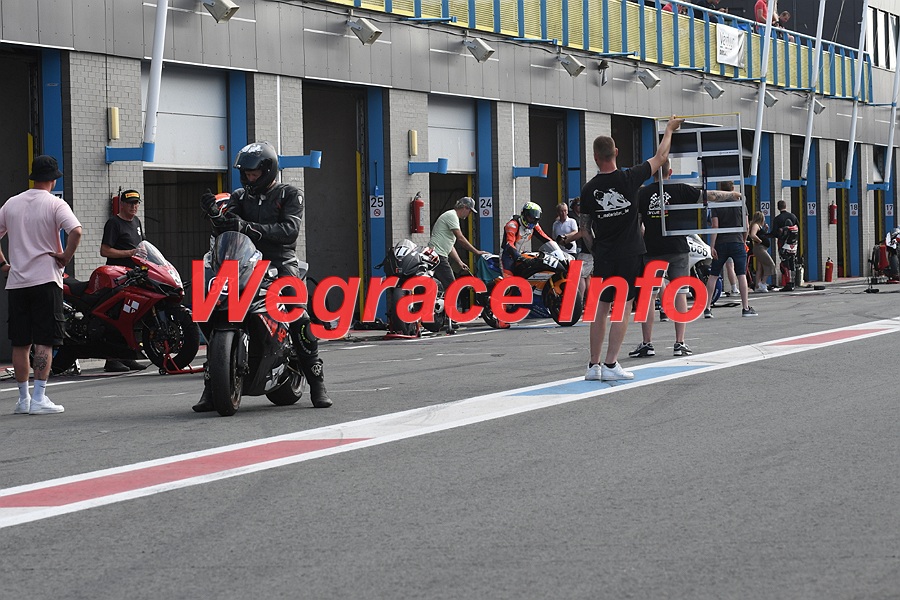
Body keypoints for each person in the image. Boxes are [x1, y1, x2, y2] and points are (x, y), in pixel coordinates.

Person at [196, 141, 332, 411]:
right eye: (246, 173)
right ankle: (211, 388)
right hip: (244, 260)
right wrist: (214, 215)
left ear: (268, 170)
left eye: (254, 173)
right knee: (207, 305)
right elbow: (228, 228)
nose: (249, 178)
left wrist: (248, 227)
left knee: (297, 312)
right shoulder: (239, 197)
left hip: (280, 261)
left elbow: (289, 231)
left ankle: (317, 383)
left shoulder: (290, 194)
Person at [561, 116, 684, 381]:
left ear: (595, 157)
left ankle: (593, 366)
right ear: (616, 152)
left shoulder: (588, 189)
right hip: (629, 254)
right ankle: (611, 364)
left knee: (600, 308)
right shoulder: (630, 178)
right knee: (623, 307)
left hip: (604, 256)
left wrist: (596, 250)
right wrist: (669, 130)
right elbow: (661, 157)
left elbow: (585, 229)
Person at [631, 160, 743, 359]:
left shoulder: (643, 193)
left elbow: (638, 226)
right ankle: (679, 343)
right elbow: (710, 195)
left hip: (653, 249)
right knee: (680, 293)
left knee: (649, 296)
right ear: (670, 172)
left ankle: (647, 344)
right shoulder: (681, 189)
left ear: (653, 172)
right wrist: (732, 195)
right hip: (678, 248)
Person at [0, 155, 82, 415]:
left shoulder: (12, 203)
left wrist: (3, 264)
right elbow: (76, 231)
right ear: (54, 179)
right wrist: (65, 257)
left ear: (33, 177)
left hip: (17, 282)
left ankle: (23, 399)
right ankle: (39, 397)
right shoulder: (55, 204)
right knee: (44, 340)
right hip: (46, 280)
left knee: (20, 342)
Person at [99, 188, 148, 372]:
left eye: (136, 204)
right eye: (130, 203)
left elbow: (143, 245)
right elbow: (105, 250)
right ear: (122, 204)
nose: (134, 207)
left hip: (135, 276)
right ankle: (112, 359)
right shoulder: (114, 223)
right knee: (116, 317)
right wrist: (130, 253)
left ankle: (128, 356)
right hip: (118, 278)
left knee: (131, 316)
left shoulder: (136, 222)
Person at [428, 196, 488, 332]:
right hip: (438, 255)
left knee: (442, 286)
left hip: (438, 254)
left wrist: (460, 262)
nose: (469, 214)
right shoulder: (452, 215)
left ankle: (442, 316)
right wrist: (476, 252)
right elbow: (460, 238)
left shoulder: (451, 216)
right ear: (465, 208)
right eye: (470, 211)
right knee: (452, 286)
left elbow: (450, 246)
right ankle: (451, 318)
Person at [704, 190, 757, 318]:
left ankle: (707, 308)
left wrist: (712, 246)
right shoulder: (740, 205)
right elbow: (746, 226)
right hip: (737, 242)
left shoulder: (717, 205)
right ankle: (745, 308)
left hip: (721, 243)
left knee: (713, 275)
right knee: (741, 275)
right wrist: (743, 241)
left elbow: (715, 226)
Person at [501, 202, 554, 276]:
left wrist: (557, 246)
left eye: (535, 219)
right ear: (524, 214)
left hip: (522, 253)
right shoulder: (512, 225)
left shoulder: (534, 226)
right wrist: (519, 257)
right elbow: (509, 244)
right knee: (509, 277)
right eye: (530, 217)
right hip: (509, 255)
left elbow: (545, 238)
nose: (532, 220)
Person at [771, 199, 800, 291]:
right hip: (793, 244)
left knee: (784, 263)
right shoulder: (793, 216)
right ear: (785, 206)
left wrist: (765, 235)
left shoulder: (777, 219)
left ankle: (788, 283)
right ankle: (793, 282)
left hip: (783, 244)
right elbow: (798, 228)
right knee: (792, 262)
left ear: (778, 207)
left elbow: (774, 233)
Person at [748, 210, 776, 292]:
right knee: (771, 264)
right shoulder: (756, 225)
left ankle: (757, 286)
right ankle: (763, 283)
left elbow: (762, 235)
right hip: (759, 248)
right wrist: (759, 240)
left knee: (760, 268)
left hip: (761, 248)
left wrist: (766, 230)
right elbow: (752, 235)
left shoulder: (759, 226)